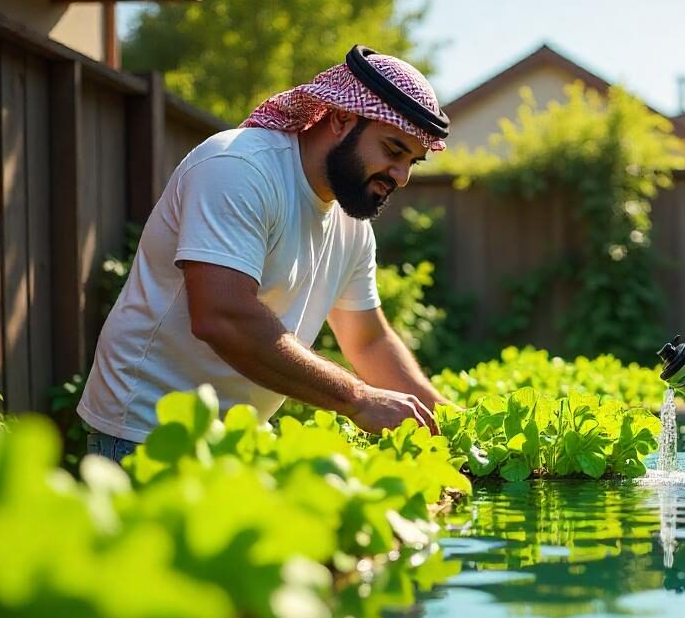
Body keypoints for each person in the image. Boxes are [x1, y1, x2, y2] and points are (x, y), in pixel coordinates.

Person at [77, 46, 450, 463]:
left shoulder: (352, 227)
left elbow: (368, 340)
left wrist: (451, 426)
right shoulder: (239, 167)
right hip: (145, 434)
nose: (401, 177)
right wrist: (358, 399)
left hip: (238, 443)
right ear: (342, 118)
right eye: (393, 151)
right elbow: (222, 316)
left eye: (412, 162)